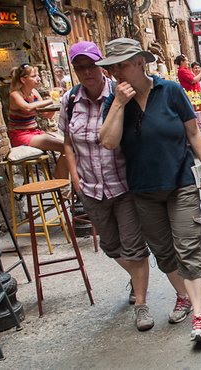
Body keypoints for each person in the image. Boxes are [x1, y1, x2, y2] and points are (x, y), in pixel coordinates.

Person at [98, 38, 201, 342]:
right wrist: (120, 104)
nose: (116, 73)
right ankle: (183, 296)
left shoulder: (170, 90)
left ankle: (199, 317)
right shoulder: (115, 101)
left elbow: (192, 130)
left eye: (122, 65)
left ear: (139, 62)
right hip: (143, 187)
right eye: (112, 67)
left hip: (181, 182)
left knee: (188, 247)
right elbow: (109, 141)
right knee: (164, 252)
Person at [58, 41, 153, 332]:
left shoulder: (120, 93)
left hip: (123, 184)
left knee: (134, 248)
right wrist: (74, 178)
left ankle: (141, 303)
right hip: (90, 187)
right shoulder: (70, 100)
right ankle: (137, 280)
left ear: (102, 65)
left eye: (91, 65)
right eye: (80, 67)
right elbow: (68, 143)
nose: (87, 72)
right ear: (74, 70)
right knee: (112, 247)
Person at [7, 64, 69, 180]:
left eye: (38, 75)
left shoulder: (34, 92)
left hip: (35, 132)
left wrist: (56, 100)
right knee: (66, 147)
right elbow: (28, 108)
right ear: (23, 80)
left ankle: (60, 178)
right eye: (34, 76)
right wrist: (51, 100)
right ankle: (63, 185)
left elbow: (47, 115)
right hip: (20, 136)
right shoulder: (15, 95)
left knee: (71, 144)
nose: (38, 78)